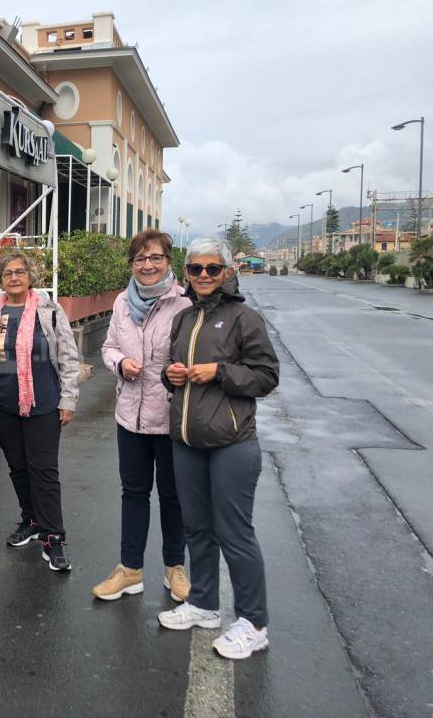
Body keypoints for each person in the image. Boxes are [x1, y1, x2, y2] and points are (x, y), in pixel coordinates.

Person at [157, 236, 279, 661]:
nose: (204, 276)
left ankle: (253, 622)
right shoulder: (185, 318)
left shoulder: (244, 318)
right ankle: (204, 605)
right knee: (197, 529)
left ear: (227, 272)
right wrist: (169, 376)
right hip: (187, 442)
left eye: (213, 268)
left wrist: (221, 371)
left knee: (234, 532)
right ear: (186, 274)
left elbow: (266, 376)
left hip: (232, 443)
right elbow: (170, 374)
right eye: (196, 269)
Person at [0, 250, 81, 572]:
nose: (14, 277)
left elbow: (69, 358)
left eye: (20, 271)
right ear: (0, 280)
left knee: (43, 470)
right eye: (8, 273)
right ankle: (31, 520)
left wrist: (68, 400)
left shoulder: (49, 311)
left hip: (43, 403)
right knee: (18, 467)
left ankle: (53, 537)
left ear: (30, 276)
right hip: (2, 406)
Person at [94, 229, 192, 602]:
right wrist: (120, 363)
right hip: (130, 417)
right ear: (132, 264)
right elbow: (108, 346)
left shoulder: (184, 303)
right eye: (140, 259)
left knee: (173, 496)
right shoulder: (122, 302)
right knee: (133, 493)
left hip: (170, 418)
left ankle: (174, 568)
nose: (147, 265)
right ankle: (130, 569)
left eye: (155, 258)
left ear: (169, 262)